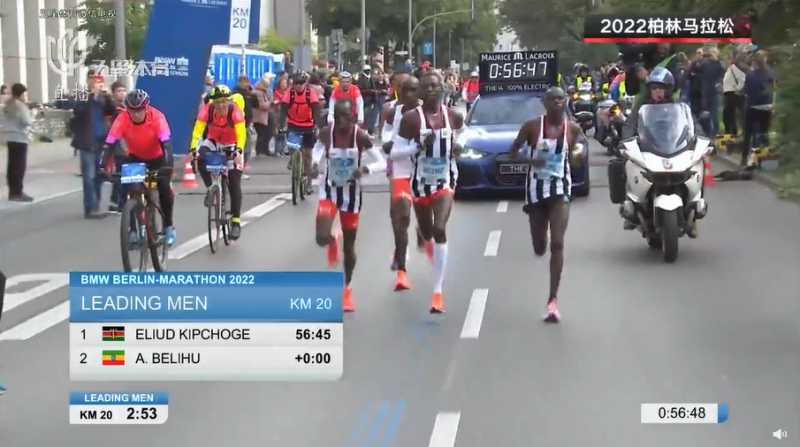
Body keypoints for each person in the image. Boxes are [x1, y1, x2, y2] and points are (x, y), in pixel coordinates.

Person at [509, 87, 585, 323]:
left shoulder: (572, 129)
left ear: (566, 102)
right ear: (545, 103)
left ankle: (552, 301)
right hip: (536, 191)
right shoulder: (532, 127)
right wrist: (531, 160)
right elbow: (513, 153)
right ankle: (540, 244)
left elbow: (579, 152)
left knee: (558, 243)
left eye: (561, 99)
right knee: (540, 246)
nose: (557, 103)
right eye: (552, 99)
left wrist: (578, 155)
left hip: (561, 189)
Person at [393, 72, 464, 314]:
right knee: (427, 231)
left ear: (443, 88)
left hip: (445, 181)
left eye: (435, 85)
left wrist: (459, 146)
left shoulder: (453, 116)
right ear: (421, 92)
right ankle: (422, 233)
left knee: (439, 228)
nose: (432, 89)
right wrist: (416, 146)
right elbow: (395, 153)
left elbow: (465, 136)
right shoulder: (411, 119)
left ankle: (437, 292)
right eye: (427, 86)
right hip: (420, 184)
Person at [311, 99, 386, 312]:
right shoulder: (327, 133)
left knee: (349, 247)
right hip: (329, 190)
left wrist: (366, 170)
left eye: (345, 117)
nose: (341, 122)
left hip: (351, 196)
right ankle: (332, 239)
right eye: (337, 117)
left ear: (352, 117)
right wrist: (314, 164)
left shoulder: (360, 136)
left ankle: (347, 289)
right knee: (320, 237)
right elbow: (317, 150)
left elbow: (382, 162)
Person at [104, 89, 177, 246]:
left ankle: (169, 227)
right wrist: (102, 165)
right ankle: (133, 230)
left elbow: (167, 145)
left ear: (146, 108)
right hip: (135, 158)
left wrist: (168, 166)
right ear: (127, 109)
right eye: (132, 110)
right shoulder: (122, 119)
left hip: (157, 159)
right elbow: (109, 143)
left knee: (164, 188)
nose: (136, 114)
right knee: (132, 190)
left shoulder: (157, 117)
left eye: (140, 110)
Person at [190, 85, 247, 240]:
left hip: (233, 143)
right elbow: (197, 131)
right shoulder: (207, 110)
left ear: (229, 101)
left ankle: (236, 222)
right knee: (200, 157)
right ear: (213, 103)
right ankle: (211, 188)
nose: (221, 105)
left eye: (224, 102)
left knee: (234, 181)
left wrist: (238, 151)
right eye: (218, 102)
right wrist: (193, 149)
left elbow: (241, 135)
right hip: (214, 141)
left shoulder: (235, 111)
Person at [382, 75, 421, 291]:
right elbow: (386, 133)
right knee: (400, 215)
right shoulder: (392, 111)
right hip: (400, 168)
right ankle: (402, 269)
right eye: (404, 90)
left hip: (424, 171)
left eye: (413, 90)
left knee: (425, 219)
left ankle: (422, 230)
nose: (408, 94)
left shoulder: (428, 110)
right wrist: (387, 143)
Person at [70, 73, 116, 217]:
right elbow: (78, 110)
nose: (97, 85)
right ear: (89, 83)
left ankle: (95, 205)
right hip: (86, 142)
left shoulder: (103, 98)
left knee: (99, 175)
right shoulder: (83, 96)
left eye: (100, 82)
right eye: (95, 82)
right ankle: (90, 208)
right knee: (88, 176)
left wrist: (107, 96)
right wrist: (91, 96)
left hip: (101, 142)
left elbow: (112, 110)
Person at [280, 71, 322, 190]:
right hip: (293, 124)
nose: (298, 86)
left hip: (308, 125)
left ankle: (308, 183)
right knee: (292, 146)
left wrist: (317, 125)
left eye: (301, 83)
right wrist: (281, 125)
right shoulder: (290, 93)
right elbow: (283, 110)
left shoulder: (310, 93)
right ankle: (292, 158)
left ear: (305, 83)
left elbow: (316, 110)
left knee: (308, 155)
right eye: (296, 83)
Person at [742, 50, 776, 167]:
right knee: (764, 134)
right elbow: (773, 90)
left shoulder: (750, 75)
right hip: (767, 107)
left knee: (748, 134)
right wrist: (773, 105)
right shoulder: (771, 74)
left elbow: (746, 91)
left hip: (753, 107)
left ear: (755, 61)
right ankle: (768, 162)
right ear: (766, 60)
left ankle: (745, 159)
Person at [2, 83, 34, 202]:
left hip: (9, 137)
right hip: (20, 138)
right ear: (21, 94)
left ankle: (12, 191)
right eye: (25, 94)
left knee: (12, 166)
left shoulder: (7, 104)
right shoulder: (20, 105)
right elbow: (27, 121)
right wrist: (31, 113)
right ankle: (18, 192)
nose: (26, 96)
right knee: (19, 166)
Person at [108, 80, 128, 213]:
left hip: (126, 145)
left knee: (122, 174)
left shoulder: (125, 107)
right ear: (113, 93)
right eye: (119, 91)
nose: (122, 93)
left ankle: (116, 201)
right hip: (119, 146)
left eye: (123, 90)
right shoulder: (115, 109)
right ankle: (119, 203)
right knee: (122, 174)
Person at [233, 75, 258, 169]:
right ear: (240, 82)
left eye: (247, 82)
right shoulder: (236, 93)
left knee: (247, 143)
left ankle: (244, 163)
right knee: (242, 143)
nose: (246, 84)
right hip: (239, 122)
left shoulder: (248, 93)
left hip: (247, 122)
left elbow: (256, 105)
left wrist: (253, 93)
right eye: (244, 82)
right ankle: (239, 164)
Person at [722, 53, 747, 137]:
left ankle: (733, 132)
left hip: (733, 93)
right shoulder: (729, 69)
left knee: (729, 114)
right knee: (729, 114)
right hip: (728, 93)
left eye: (727, 59)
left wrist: (738, 89)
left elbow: (742, 79)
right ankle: (732, 132)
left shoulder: (734, 68)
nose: (725, 61)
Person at [253, 78, 273, 156]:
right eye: (266, 85)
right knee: (261, 134)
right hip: (259, 117)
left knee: (264, 134)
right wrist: (270, 102)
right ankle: (259, 150)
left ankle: (262, 150)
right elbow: (262, 105)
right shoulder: (258, 93)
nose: (267, 87)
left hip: (261, 117)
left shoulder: (262, 92)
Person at [272, 72, 290, 155]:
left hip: (286, 115)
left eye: (285, 83)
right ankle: (277, 151)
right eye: (282, 83)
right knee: (278, 134)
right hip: (278, 115)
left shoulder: (288, 92)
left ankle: (282, 150)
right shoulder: (276, 92)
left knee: (284, 134)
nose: (284, 85)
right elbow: (275, 102)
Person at [357, 64, 379, 135]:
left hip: (371, 100)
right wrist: (370, 91)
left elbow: (374, 88)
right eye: (367, 70)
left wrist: (374, 95)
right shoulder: (361, 79)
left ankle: (369, 131)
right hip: (364, 100)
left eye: (369, 70)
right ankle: (363, 131)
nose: (368, 72)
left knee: (371, 116)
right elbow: (360, 90)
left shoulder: (371, 78)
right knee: (364, 116)